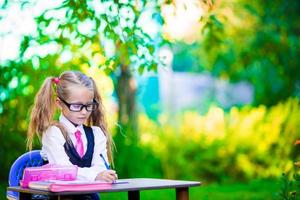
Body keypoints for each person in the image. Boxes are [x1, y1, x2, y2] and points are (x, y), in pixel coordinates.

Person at [27, 70, 117, 199]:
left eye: (89, 105)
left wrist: (102, 174)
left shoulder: (96, 134)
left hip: (85, 196)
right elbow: (65, 171)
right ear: (59, 103)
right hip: (55, 197)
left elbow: (100, 167)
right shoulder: (53, 133)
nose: (84, 112)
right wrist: (95, 175)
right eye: (76, 106)